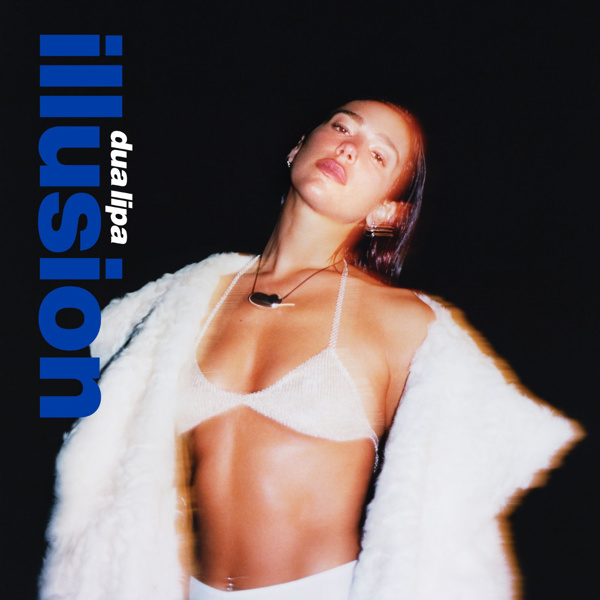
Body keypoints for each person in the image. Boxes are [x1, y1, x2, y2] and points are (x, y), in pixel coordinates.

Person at [40, 100, 580, 600]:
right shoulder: (188, 299)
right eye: (342, 126)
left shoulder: (405, 322)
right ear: (298, 148)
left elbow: (465, 486)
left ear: (386, 212)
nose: (349, 147)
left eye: (378, 154)